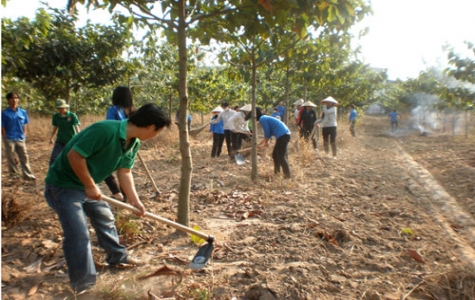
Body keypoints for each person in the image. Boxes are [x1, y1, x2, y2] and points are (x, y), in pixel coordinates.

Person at [44, 103, 171, 295]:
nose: (156, 135)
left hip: (87, 187)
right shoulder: (104, 130)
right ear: (152, 127)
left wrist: (135, 200)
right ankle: (83, 286)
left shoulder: (134, 142)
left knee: (105, 217)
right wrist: (89, 185)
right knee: (78, 234)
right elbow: (75, 156)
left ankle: (118, 257)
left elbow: (125, 172)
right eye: (159, 131)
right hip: (63, 186)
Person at [104, 86, 135, 201]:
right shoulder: (133, 111)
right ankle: (125, 197)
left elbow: (110, 126)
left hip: (115, 143)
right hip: (130, 144)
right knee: (124, 171)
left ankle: (116, 193)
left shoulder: (113, 110)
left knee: (105, 169)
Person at [1, 91, 36, 180]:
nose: (14, 100)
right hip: (9, 138)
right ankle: (14, 176)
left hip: (20, 138)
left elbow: (24, 124)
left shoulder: (23, 112)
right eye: (12, 98)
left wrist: (24, 135)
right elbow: (2, 127)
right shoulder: (4, 113)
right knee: (11, 158)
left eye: (16, 98)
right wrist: (5, 138)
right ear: (8, 100)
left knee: (24, 157)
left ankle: (28, 175)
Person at [256, 108, 292, 178]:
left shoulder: (262, 119)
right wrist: (260, 144)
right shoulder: (265, 118)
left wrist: (266, 142)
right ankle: (277, 173)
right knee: (275, 155)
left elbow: (267, 132)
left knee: (281, 157)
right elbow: (269, 134)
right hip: (283, 135)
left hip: (283, 136)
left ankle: (287, 176)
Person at [49, 99, 81, 166]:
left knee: (71, 158)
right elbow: (55, 128)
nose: (59, 110)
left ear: (65, 108)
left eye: (61, 108)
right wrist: (51, 138)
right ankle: (52, 174)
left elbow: (76, 126)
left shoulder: (72, 115)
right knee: (54, 157)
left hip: (71, 140)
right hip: (60, 140)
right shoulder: (56, 116)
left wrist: (79, 136)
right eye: (58, 108)